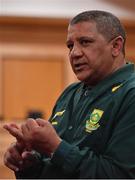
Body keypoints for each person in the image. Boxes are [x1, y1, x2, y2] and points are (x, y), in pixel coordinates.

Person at [3, 10, 135, 178]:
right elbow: (54, 168)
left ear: (115, 46)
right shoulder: (70, 93)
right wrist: (28, 163)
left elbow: (119, 175)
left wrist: (56, 147)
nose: (74, 53)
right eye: (70, 46)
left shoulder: (130, 94)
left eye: (85, 42)